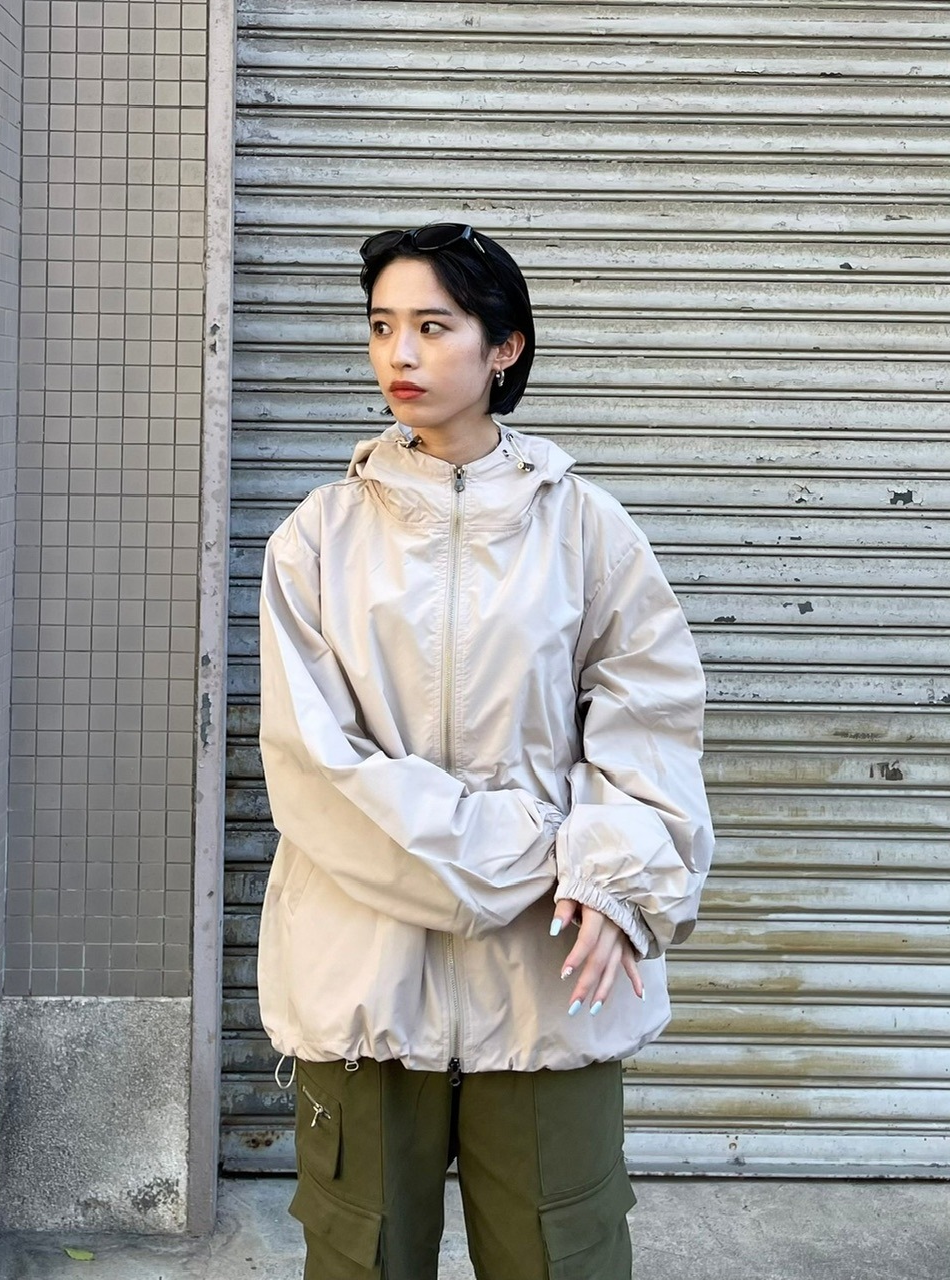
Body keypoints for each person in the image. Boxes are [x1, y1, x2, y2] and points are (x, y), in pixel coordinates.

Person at [257, 223, 714, 1280]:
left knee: (563, 1257)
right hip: (366, 975)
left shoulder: (587, 529)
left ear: (504, 346)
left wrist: (615, 869)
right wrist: (545, 849)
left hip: (549, 978)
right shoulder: (317, 539)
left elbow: (652, 716)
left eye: (433, 327)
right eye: (382, 326)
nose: (399, 354)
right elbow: (317, 768)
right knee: (363, 1257)